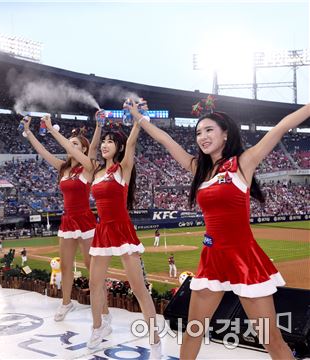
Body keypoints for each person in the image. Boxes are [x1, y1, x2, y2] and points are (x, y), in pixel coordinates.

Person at [133, 101, 310, 359]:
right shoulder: (200, 170)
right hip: (212, 259)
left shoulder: (243, 163)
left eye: (208, 130)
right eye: (198, 133)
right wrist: (139, 118)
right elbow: (167, 141)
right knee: (193, 330)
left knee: (271, 340)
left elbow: (281, 127)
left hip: (245, 260)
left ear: (225, 133)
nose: (202, 137)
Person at [87, 103, 161, 355]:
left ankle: (155, 339)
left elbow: (130, 144)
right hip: (102, 232)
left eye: (111, 141)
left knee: (138, 288)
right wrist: (98, 126)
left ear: (117, 147)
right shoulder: (95, 172)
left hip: (122, 230)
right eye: (104, 141)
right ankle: (98, 327)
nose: (106, 144)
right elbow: (91, 149)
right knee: (94, 283)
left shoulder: (123, 169)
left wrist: (136, 118)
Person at [23, 115, 109, 323]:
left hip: (86, 221)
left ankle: (104, 311)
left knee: (93, 268)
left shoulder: (89, 167)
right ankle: (66, 302)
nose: (70, 147)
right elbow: (42, 152)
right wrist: (29, 132)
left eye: (75, 144)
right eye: (69, 144)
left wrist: (98, 125)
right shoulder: (63, 168)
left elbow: (95, 145)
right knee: (66, 266)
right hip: (67, 221)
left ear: (84, 149)